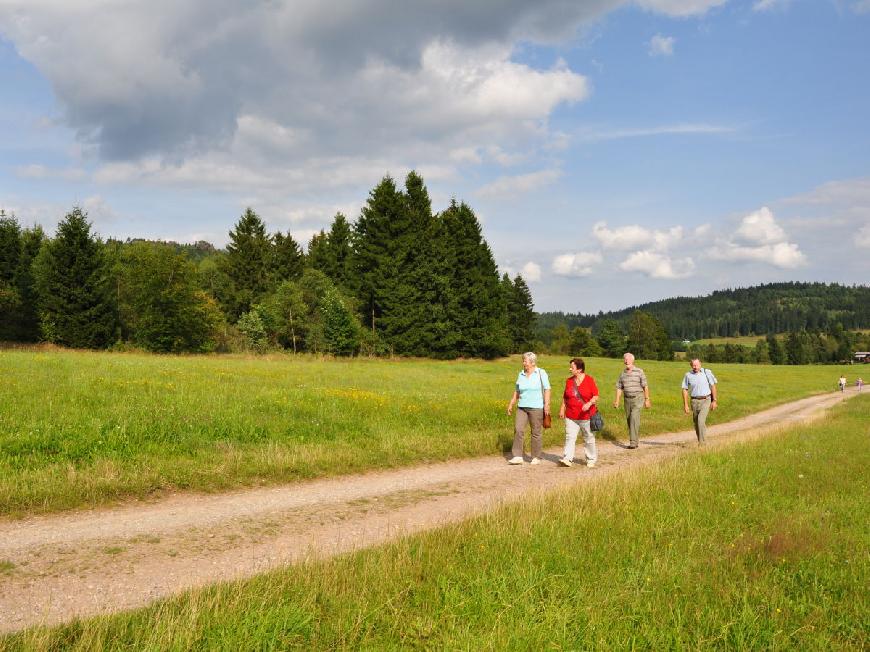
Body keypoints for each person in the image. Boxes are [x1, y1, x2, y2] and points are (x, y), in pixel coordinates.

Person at [506, 352, 551, 465]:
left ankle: (536, 456)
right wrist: (512, 403)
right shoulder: (521, 374)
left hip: (536, 407)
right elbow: (517, 390)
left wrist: (547, 404)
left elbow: (547, 389)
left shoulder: (541, 373)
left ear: (532, 362)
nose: (523, 363)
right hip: (522, 407)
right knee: (518, 429)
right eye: (523, 360)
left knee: (536, 432)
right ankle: (517, 456)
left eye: (525, 361)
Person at [558, 358, 599, 468]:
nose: (570, 369)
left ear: (579, 369)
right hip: (571, 415)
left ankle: (591, 459)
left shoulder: (589, 380)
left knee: (588, 437)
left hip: (586, 416)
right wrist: (562, 409)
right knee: (570, 437)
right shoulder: (569, 381)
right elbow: (565, 397)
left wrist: (589, 404)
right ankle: (567, 459)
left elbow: (596, 396)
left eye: (572, 367)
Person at [613, 352, 650, 449]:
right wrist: (617, 401)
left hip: (638, 398)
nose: (626, 361)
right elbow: (619, 388)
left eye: (628, 359)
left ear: (632, 360)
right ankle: (635, 439)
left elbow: (645, 386)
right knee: (630, 420)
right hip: (627, 399)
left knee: (634, 418)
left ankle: (633, 442)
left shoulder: (639, 371)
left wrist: (647, 399)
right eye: (625, 359)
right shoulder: (622, 374)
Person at [681, 358, 718, 446]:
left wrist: (714, 401)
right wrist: (686, 405)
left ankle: (702, 444)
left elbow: (713, 386)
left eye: (697, 365)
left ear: (700, 364)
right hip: (694, 401)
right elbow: (684, 389)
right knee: (696, 423)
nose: (695, 367)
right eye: (693, 365)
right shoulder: (688, 375)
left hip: (706, 399)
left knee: (701, 420)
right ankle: (701, 440)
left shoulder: (707, 372)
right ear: (691, 366)